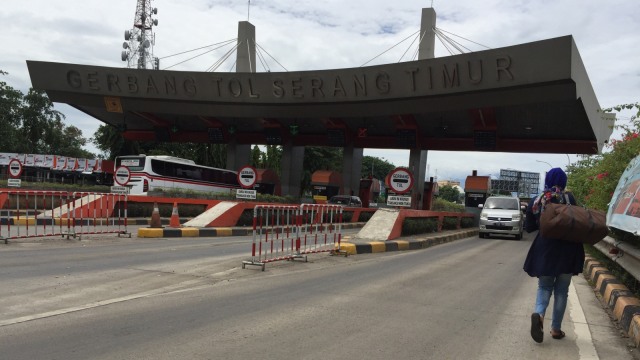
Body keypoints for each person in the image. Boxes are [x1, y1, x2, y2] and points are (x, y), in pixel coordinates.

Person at [523, 167, 585, 343]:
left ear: (547, 181)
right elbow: (578, 221)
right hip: (568, 249)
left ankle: (540, 315)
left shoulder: (537, 200)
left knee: (544, 287)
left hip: (545, 250)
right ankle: (556, 329)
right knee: (562, 291)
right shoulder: (569, 198)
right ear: (564, 182)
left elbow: (530, 227)